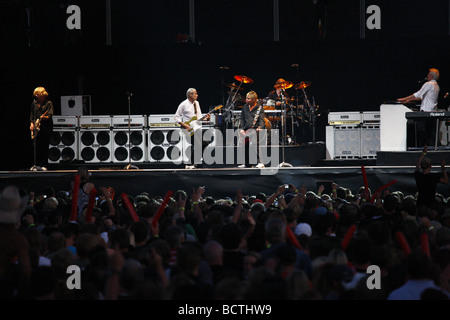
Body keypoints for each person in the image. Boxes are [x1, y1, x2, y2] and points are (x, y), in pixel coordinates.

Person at [397, 68, 440, 146]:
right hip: (432, 111)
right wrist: (409, 100)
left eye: (428, 74)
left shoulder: (428, 84)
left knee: (421, 129)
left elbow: (418, 94)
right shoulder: (436, 85)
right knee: (431, 131)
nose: (427, 75)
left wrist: (403, 99)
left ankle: (422, 147)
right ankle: (435, 147)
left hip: (425, 111)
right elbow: (421, 97)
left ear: (431, 76)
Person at [174, 88, 210, 169]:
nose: (197, 95)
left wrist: (206, 119)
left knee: (205, 143)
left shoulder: (196, 103)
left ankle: (192, 163)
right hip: (188, 129)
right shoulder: (183, 104)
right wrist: (185, 125)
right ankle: (190, 164)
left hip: (197, 127)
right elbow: (176, 118)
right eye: (195, 93)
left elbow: (199, 117)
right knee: (198, 144)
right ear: (190, 95)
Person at [414, 145, 448, 209]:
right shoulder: (433, 177)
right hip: (431, 204)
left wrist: (423, 154)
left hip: (420, 204)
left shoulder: (418, 176)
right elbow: (446, 181)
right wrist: (443, 168)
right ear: (431, 166)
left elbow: (417, 167)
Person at [238, 91, 266, 168]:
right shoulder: (244, 107)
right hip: (246, 130)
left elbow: (261, 120)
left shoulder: (259, 108)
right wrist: (241, 129)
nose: (246, 100)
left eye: (248, 98)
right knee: (244, 145)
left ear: (254, 100)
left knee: (255, 143)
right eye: (246, 98)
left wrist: (260, 127)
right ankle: (247, 163)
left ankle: (261, 162)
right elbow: (242, 119)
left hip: (255, 129)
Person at [29, 86, 54, 170]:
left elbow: (50, 115)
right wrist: (31, 124)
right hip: (37, 128)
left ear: (42, 94)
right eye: (35, 94)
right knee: (36, 147)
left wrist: (44, 117)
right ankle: (36, 164)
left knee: (44, 146)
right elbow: (32, 115)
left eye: (37, 94)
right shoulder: (34, 103)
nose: (35, 96)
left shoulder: (48, 103)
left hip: (45, 128)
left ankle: (44, 165)